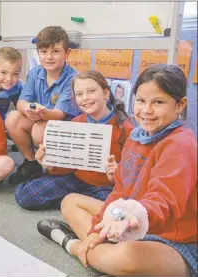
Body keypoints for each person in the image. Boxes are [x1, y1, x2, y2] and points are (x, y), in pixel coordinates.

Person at [37, 64, 197, 277]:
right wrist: (98, 230)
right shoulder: (137, 136)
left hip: (172, 239)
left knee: (124, 258)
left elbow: (163, 199)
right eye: (141, 101)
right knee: (70, 201)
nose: (147, 110)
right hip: (128, 222)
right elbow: (121, 191)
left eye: (158, 102)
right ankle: (97, 250)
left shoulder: (181, 143)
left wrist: (124, 219)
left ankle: (74, 245)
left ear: (180, 105)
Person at [15, 70, 133, 210]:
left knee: (112, 209)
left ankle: (73, 203)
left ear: (106, 93)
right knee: (25, 196)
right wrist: (49, 163)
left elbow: (133, 173)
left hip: (105, 187)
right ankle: (75, 203)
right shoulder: (75, 123)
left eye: (91, 91)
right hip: (74, 180)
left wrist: (117, 172)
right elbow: (64, 168)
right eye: (79, 94)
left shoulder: (125, 128)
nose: (85, 98)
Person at [5, 26, 81, 185]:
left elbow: (59, 114)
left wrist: (39, 113)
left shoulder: (72, 78)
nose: (49, 57)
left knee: (39, 129)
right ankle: (31, 163)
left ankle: (53, 170)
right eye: (44, 51)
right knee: (12, 118)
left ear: (67, 53)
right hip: (41, 118)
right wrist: (28, 109)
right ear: (38, 53)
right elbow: (21, 102)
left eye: (55, 51)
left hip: (66, 127)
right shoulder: (35, 73)